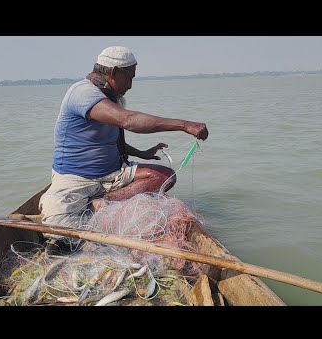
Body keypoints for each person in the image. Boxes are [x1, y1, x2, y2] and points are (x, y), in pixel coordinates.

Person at [38, 46, 209, 228]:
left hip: (114, 174)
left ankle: (103, 202)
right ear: (114, 72)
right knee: (62, 235)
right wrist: (184, 125)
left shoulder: (111, 97)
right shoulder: (83, 93)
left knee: (166, 177)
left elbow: (110, 141)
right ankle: (97, 203)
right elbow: (128, 120)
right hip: (78, 179)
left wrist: (142, 153)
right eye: (130, 78)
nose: (130, 85)